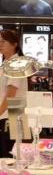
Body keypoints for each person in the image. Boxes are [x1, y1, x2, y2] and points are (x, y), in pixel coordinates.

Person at [0, 30, 28, 158]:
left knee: (9, 157)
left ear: (14, 44)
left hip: (11, 117)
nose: (0, 44)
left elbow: (10, 94)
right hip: (5, 116)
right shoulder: (5, 63)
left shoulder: (17, 64)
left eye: (3, 42)